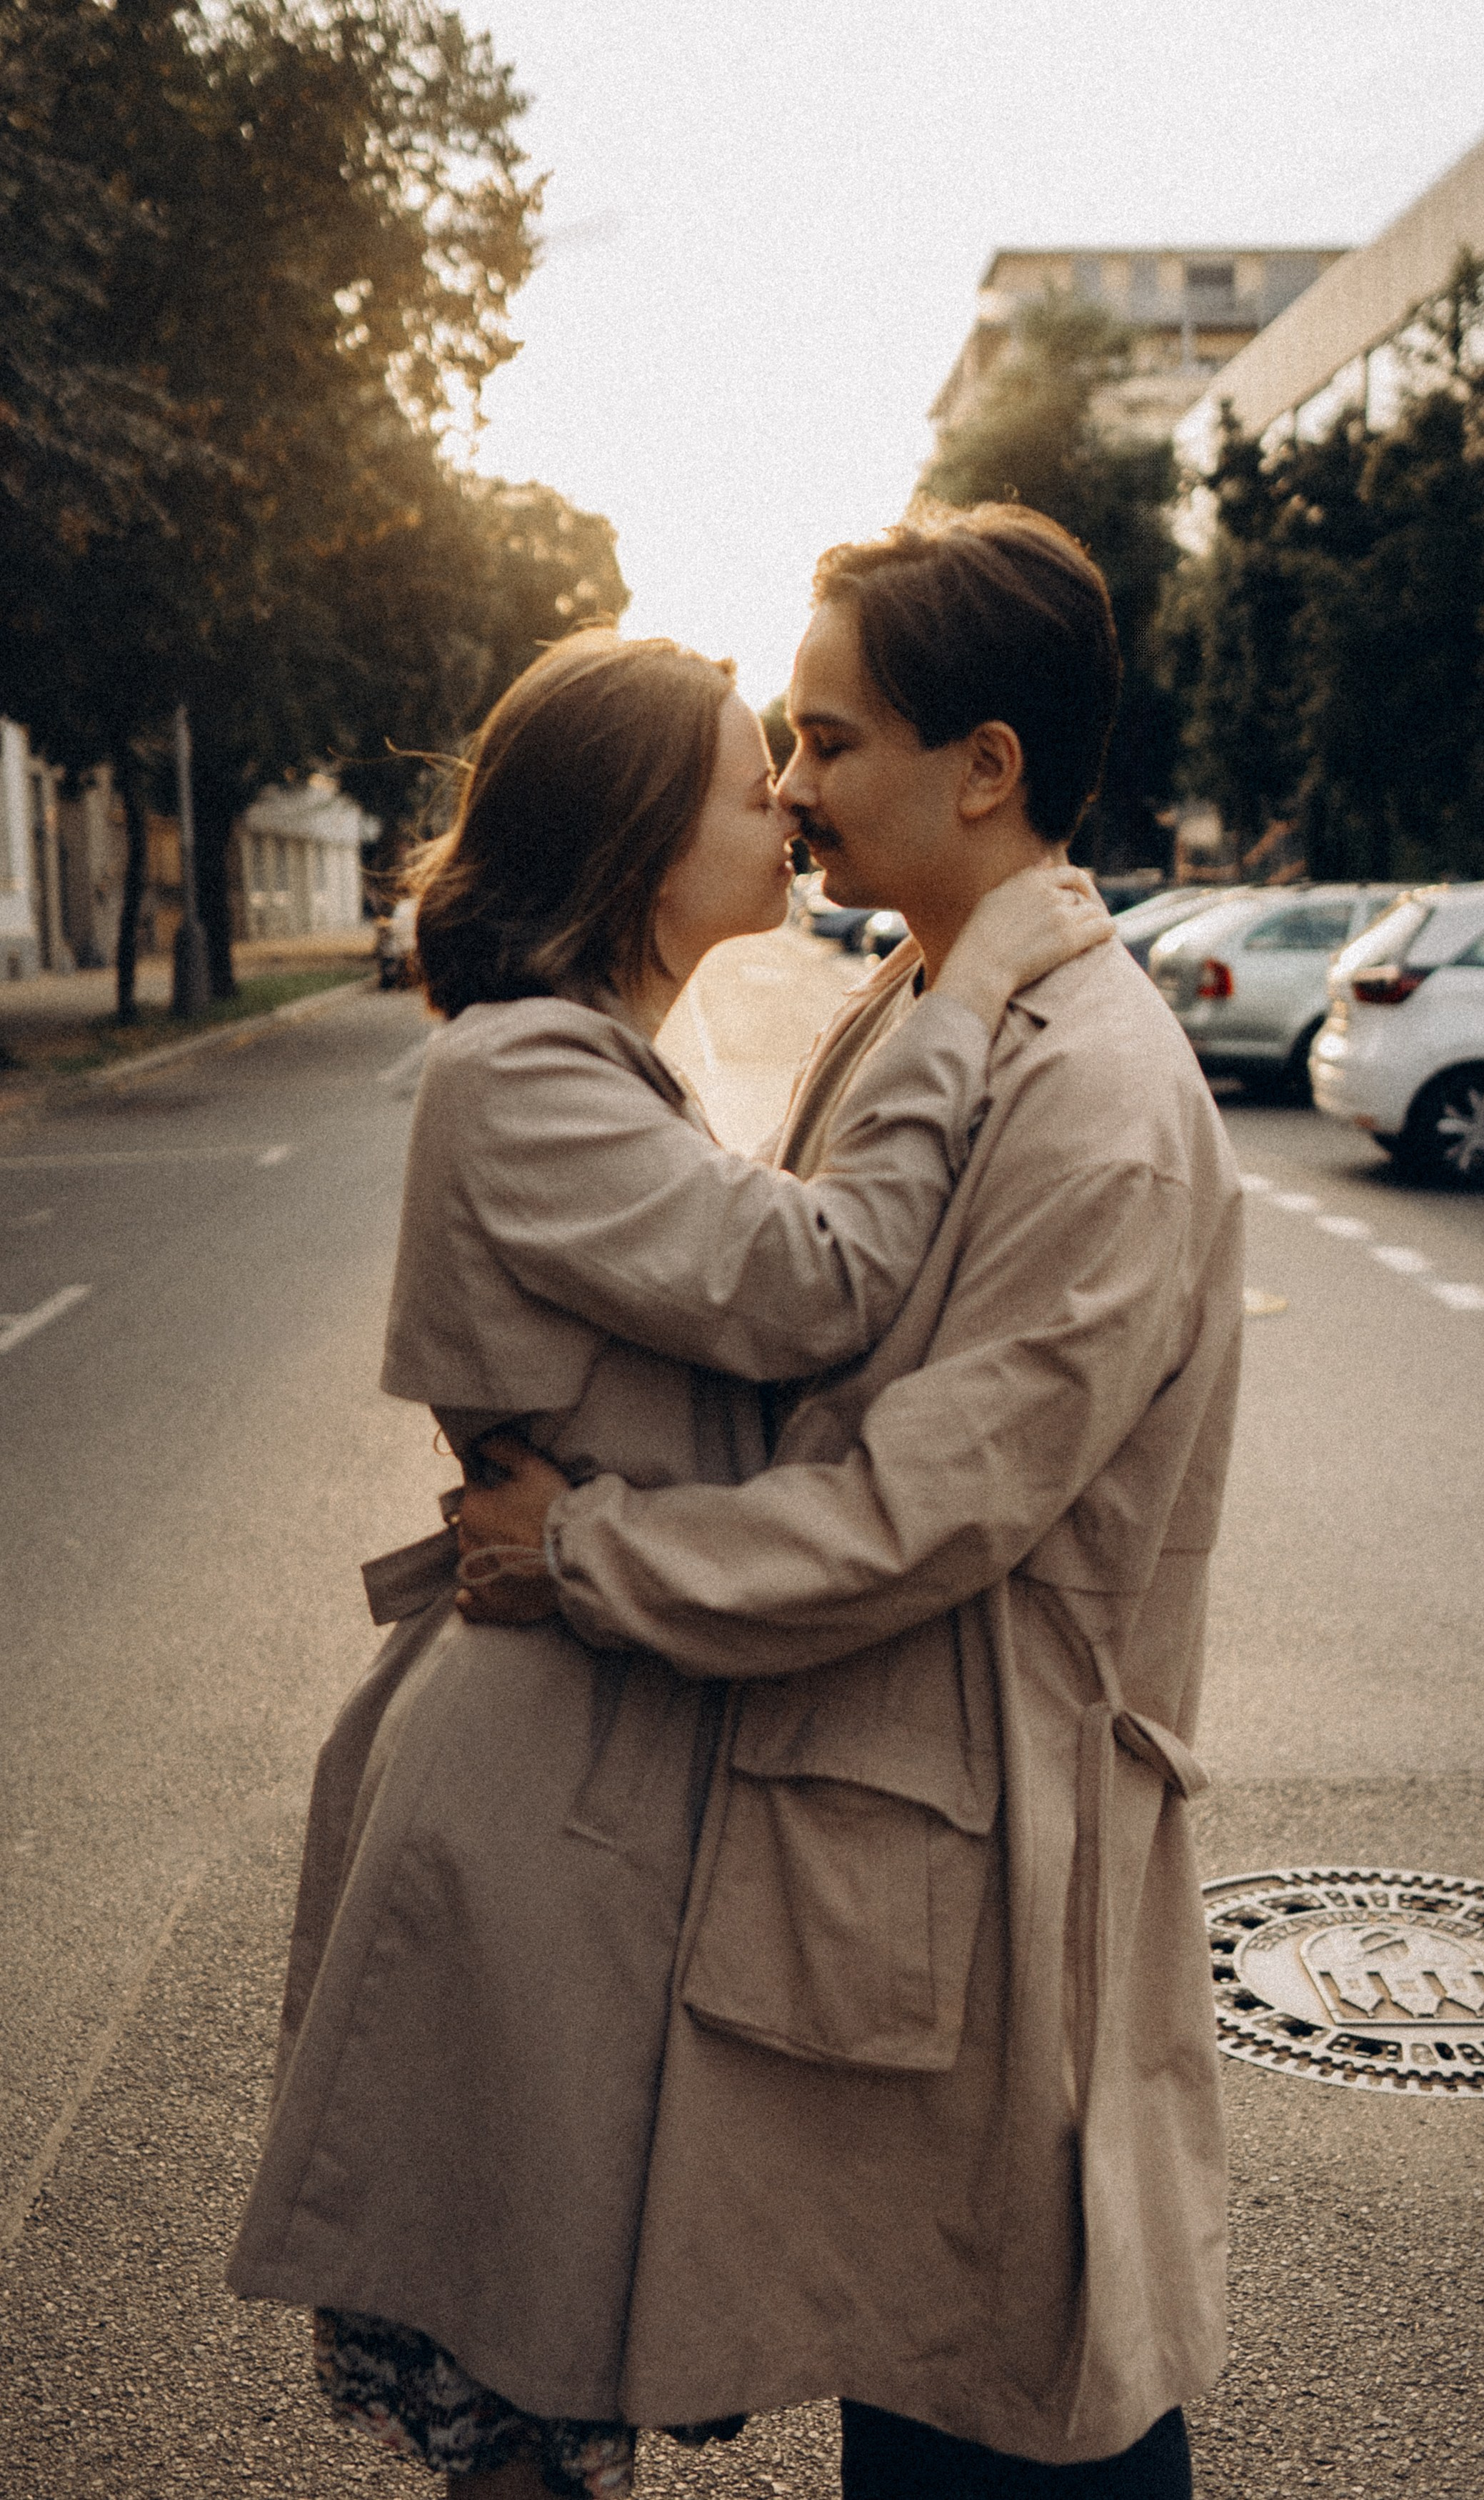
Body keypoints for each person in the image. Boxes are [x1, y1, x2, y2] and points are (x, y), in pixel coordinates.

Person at [226, 624, 1108, 2500]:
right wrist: (969, 986)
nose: (786, 800)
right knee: (523, 2411)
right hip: (538, 1803)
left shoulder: (593, 1059)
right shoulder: (523, 1076)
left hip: (597, 1751)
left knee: (561, 2392)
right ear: (634, 838)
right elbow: (818, 1281)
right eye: (742, 774)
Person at [454, 506, 1245, 2499]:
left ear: (985, 768)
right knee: (929, 2379)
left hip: (991, 1862)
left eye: (827, 738)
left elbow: (921, 1510)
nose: (790, 784)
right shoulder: (930, 992)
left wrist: (585, 1554)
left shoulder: (1098, 1091)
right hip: (900, 1838)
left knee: (1022, 2401)